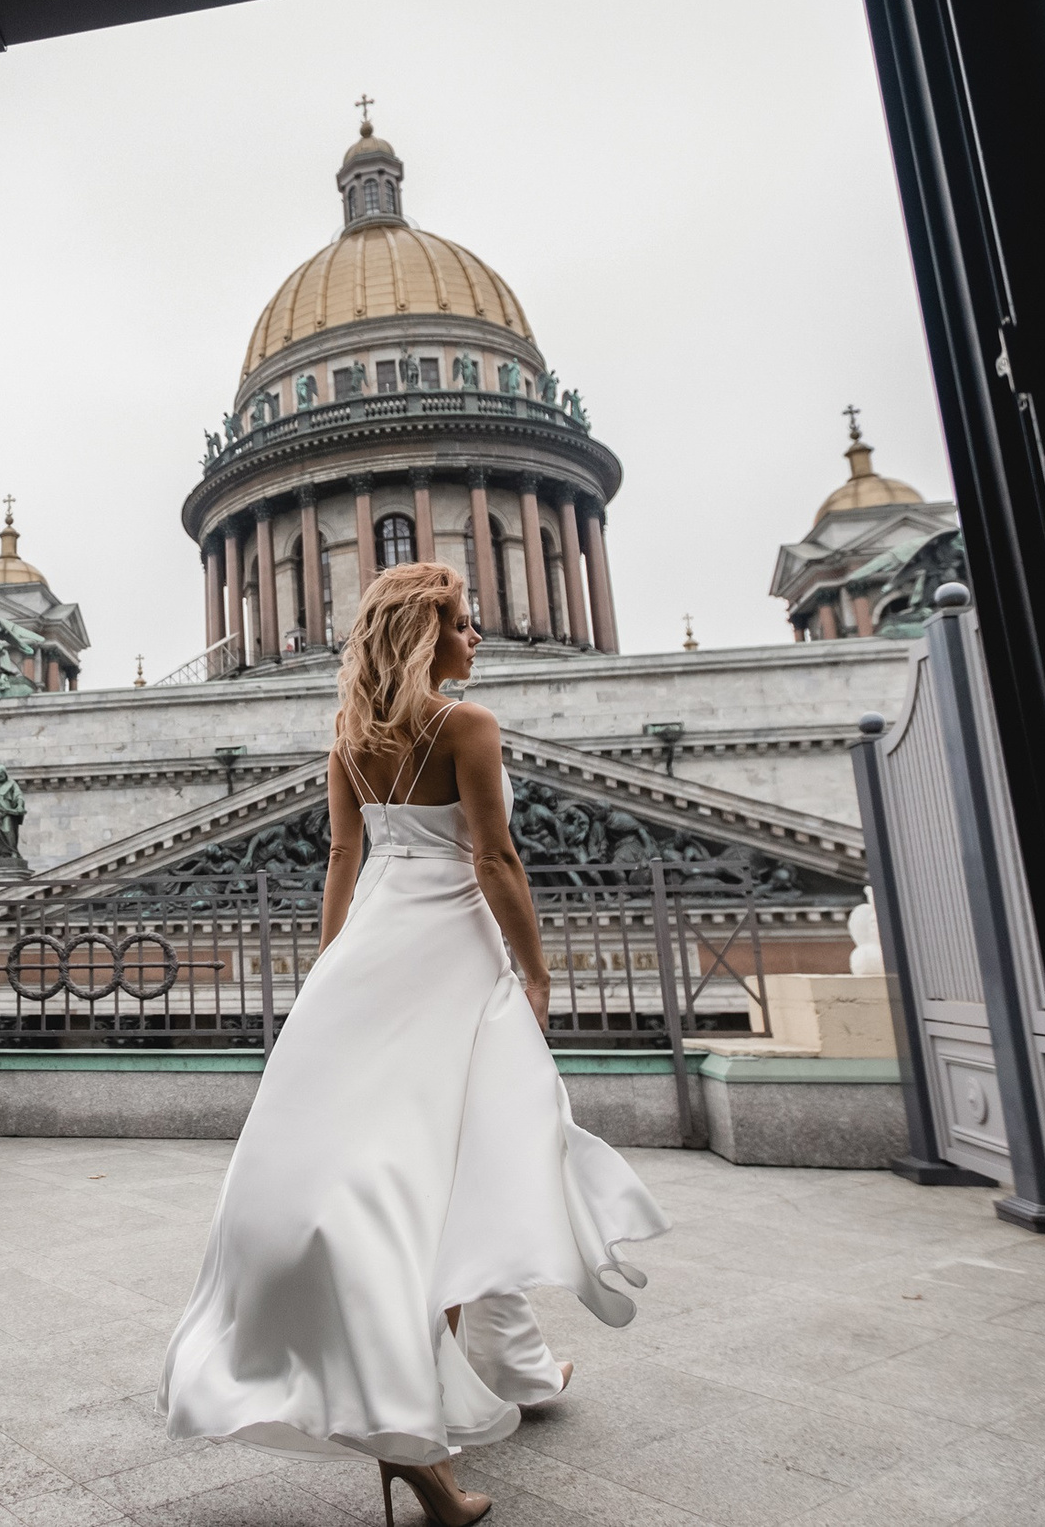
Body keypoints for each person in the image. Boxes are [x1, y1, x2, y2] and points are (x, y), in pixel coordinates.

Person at [158, 561, 666, 1525]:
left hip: (370, 951)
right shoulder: (467, 726)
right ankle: (416, 1438)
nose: (478, 638)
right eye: (464, 625)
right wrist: (536, 969)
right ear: (428, 638)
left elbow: (343, 860)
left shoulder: (350, 736)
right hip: (453, 955)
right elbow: (494, 855)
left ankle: (510, 1370)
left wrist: (329, 974)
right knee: (473, 1166)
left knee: (451, 1169)